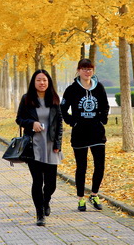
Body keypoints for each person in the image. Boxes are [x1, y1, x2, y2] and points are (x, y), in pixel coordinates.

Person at [60, 59, 110, 212]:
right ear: (78, 70)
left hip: (97, 132)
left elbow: (105, 105)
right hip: (79, 133)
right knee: (81, 167)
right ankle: (81, 198)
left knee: (99, 166)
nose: (87, 72)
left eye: (90, 69)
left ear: (93, 71)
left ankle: (94, 195)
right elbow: (63, 109)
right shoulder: (71, 89)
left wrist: (102, 119)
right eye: (84, 69)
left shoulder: (99, 87)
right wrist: (72, 122)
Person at [16, 69, 63, 226]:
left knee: (51, 184)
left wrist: (58, 144)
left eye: (44, 80)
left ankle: (46, 200)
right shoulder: (27, 99)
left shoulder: (54, 99)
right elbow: (19, 119)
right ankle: (40, 214)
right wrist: (32, 123)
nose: (42, 83)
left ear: (48, 82)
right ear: (33, 82)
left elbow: (59, 123)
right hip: (34, 146)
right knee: (37, 181)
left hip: (51, 146)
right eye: (38, 80)